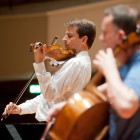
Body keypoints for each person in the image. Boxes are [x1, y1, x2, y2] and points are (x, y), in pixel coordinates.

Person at [45, 5, 140, 139]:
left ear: (120, 35)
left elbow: (126, 106)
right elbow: (111, 88)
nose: (101, 38)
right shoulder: (127, 66)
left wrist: (110, 69)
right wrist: (69, 105)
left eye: (105, 33)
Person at [2, 18, 96, 122]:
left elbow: (49, 95)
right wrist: (20, 109)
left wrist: (39, 63)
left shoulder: (76, 63)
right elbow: (48, 100)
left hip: (53, 124)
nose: (64, 39)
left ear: (84, 39)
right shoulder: (81, 62)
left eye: (69, 36)